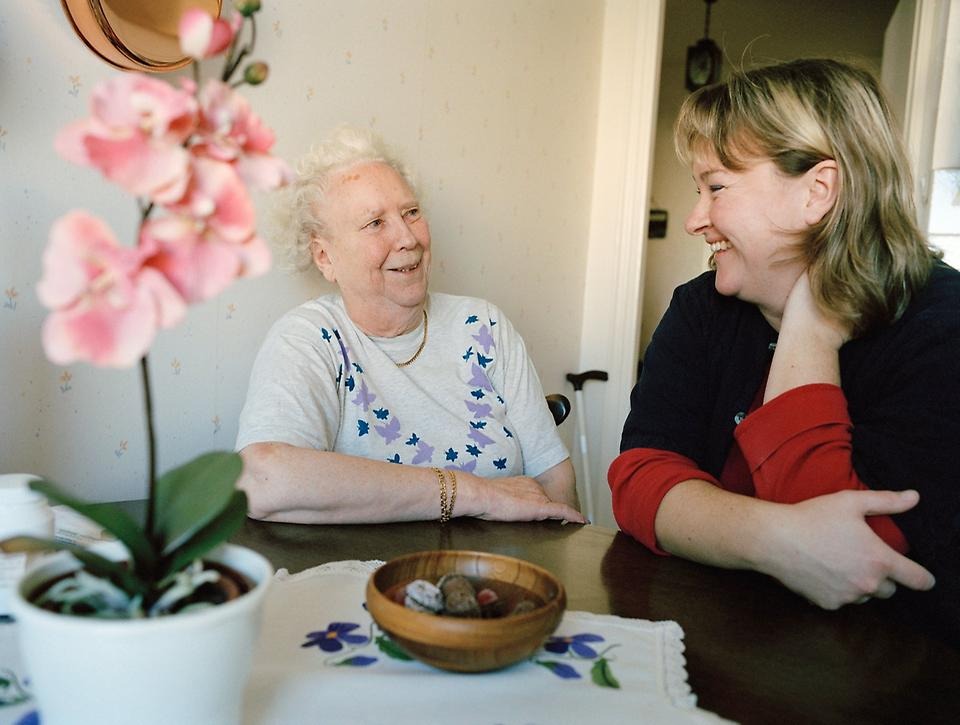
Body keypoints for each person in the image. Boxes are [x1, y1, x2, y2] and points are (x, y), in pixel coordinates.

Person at [609, 59, 960, 642]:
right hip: (714, 639)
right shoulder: (702, 308)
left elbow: (860, 556)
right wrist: (774, 538)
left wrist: (810, 329)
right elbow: (639, 478)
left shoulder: (941, 328)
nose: (696, 220)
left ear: (818, 192)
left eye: (716, 187)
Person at [236, 126, 583, 526]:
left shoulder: (484, 327)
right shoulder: (311, 340)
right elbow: (263, 479)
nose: (407, 238)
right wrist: (473, 493)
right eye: (375, 223)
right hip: (371, 565)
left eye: (411, 213)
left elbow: (553, 478)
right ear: (325, 257)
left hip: (499, 563)